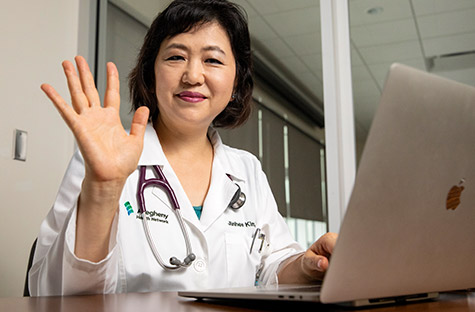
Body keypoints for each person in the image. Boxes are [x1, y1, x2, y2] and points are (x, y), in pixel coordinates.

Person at [28, 0, 337, 296]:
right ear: (152, 73)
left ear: (235, 84)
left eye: (213, 60)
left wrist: (309, 267)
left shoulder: (247, 170)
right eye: (176, 57)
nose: (192, 76)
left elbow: (273, 267)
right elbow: (52, 293)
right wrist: (103, 189)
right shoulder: (101, 159)